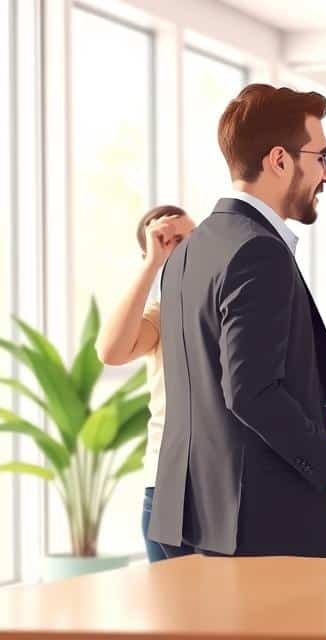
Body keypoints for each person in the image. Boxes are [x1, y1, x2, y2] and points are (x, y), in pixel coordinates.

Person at [148, 84, 326, 558]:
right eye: (322, 157)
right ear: (280, 160)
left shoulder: (189, 252)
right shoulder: (258, 251)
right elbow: (251, 390)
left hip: (190, 519)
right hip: (257, 530)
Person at [95, 205, 196, 562]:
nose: (186, 248)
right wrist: (152, 264)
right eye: (172, 242)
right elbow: (110, 351)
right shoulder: (162, 310)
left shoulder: (228, 303)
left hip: (226, 488)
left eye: (191, 237)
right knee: (174, 614)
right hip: (169, 489)